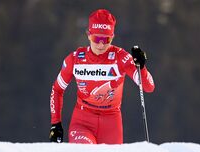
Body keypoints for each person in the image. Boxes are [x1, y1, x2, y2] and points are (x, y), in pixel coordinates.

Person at [49, 9, 155, 144]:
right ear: (88, 35)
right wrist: (55, 123)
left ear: (113, 37)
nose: (100, 44)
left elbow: (149, 87)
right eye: (96, 39)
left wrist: (142, 67)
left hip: (111, 123)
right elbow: (57, 89)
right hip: (82, 121)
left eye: (106, 39)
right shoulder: (75, 59)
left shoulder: (120, 57)